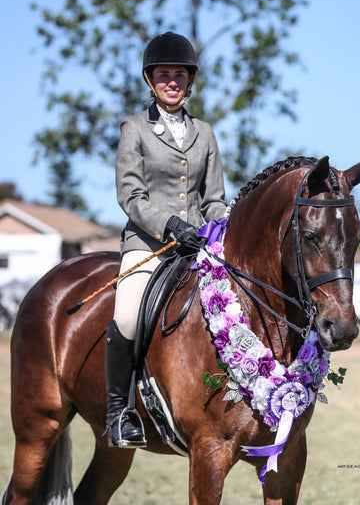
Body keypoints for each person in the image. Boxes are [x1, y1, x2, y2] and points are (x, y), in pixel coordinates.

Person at [105, 32, 228, 448]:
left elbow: (213, 200)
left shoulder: (205, 133)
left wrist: (226, 224)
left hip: (198, 247)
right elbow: (130, 195)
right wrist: (171, 225)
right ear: (151, 80)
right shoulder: (134, 128)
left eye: (179, 75)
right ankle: (119, 412)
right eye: (164, 75)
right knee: (126, 315)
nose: (172, 81)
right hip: (148, 244)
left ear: (190, 81)